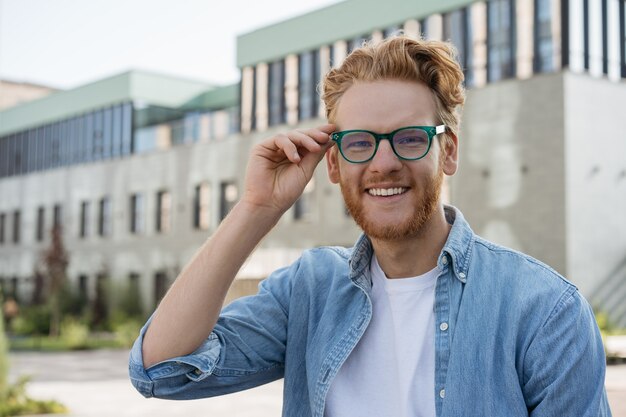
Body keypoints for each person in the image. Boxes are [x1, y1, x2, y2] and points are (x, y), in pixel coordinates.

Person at [129, 35, 611, 416]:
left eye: (409, 138)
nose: (383, 164)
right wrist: (256, 208)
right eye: (360, 142)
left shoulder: (545, 311)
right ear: (334, 164)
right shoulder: (309, 291)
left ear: (447, 152)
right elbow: (160, 370)